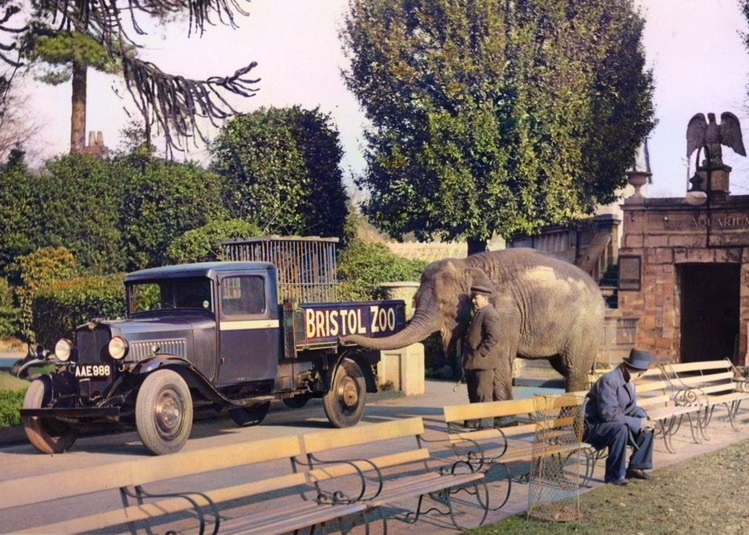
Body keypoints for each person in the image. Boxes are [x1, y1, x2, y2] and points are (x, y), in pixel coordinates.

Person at [584, 348, 656, 486]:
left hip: (610, 423)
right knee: (620, 429)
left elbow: (630, 408)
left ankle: (636, 467)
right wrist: (638, 423)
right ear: (641, 372)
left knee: (647, 426)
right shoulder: (610, 380)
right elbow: (608, 414)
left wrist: (644, 419)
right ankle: (614, 475)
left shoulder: (628, 380)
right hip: (591, 426)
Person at [462, 279, 502, 405]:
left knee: (483, 395)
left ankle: (486, 424)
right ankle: (475, 422)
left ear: (485, 298)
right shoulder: (480, 313)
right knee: (474, 395)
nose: (474, 301)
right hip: (474, 363)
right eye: (473, 298)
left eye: (476, 298)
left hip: (483, 364)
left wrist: (481, 353)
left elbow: (494, 336)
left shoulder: (489, 313)